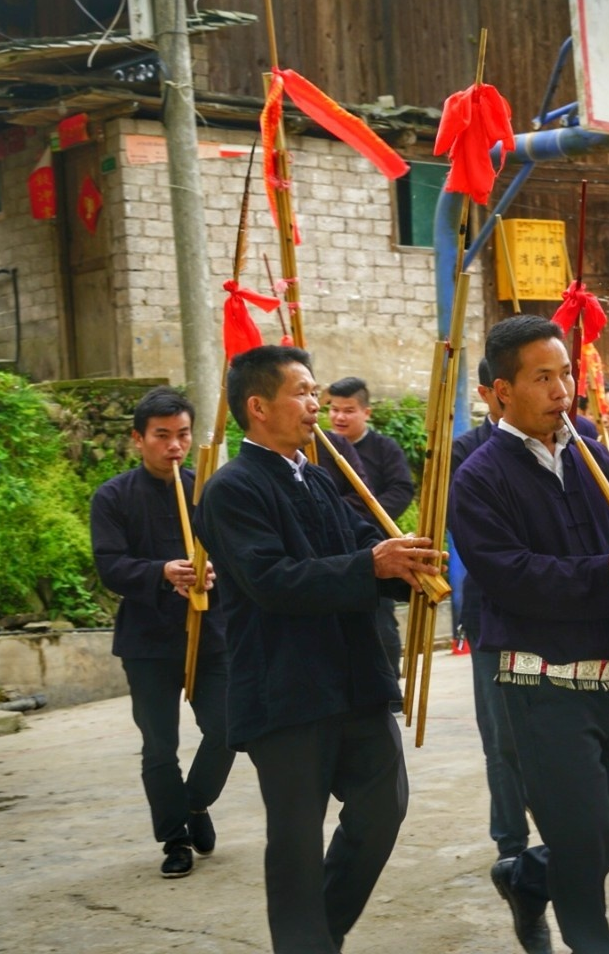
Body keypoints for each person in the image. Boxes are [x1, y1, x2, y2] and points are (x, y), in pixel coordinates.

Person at [195, 345, 442, 954]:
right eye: (303, 393)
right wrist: (370, 562)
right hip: (288, 690)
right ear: (258, 407)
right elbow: (271, 581)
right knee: (297, 840)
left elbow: (362, 546)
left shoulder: (321, 476)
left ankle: (318, 935)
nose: (316, 406)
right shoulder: (231, 490)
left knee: (383, 807)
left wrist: (403, 564)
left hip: (354, 677)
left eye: (316, 392)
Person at [451, 316, 609, 954]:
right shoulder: (478, 477)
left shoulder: (589, 453)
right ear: (500, 392)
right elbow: (510, 576)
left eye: (566, 374)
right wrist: (607, 571)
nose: (562, 390)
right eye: (542, 378)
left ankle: (528, 877)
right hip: (539, 682)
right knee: (580, 838)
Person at [89, 387, 235, 879]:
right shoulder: (112, 497)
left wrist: (213, 570)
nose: (174, 446)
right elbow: (110, 566)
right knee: (159, 746)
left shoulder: (207, 490)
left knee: (228, 728)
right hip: (148, 642)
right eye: (162, 436)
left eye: (183, 435)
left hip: (209, 631)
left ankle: (193, 805)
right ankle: (174, 838)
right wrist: (161, 572)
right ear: (138, 439)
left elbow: (238, 556)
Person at [451, 358, 534, 924]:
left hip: (561, 614)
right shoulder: (468, 455)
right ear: (493, 392)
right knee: (502, 737)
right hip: (493, 612)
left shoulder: (566, 443)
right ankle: (511, 843)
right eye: (540, 378)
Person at [327, 377, 417, 669]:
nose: (339, 417)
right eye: (334, 409)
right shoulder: (319, 447)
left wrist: (367, 515)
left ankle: (389, 684)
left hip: (374, 542)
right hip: (331, 547)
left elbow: (402, 489)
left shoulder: (384, 448)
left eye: (349, 410)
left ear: (366, 412)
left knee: (380, 619)